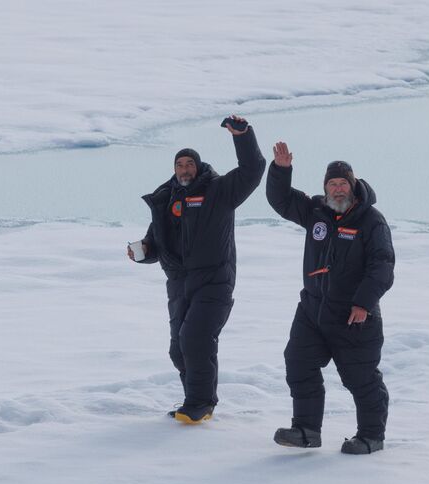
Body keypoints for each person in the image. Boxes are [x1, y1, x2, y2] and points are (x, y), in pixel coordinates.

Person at [128, 115, 266, 424]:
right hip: (179, 283)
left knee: (195, 339)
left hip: (214, 281)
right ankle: (194, 398)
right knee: (179, 348)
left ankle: (200, 403)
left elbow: (252, 171)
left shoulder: (218, 191)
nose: (185, 170)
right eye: (180, 165)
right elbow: (156, 241)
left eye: (190, 164)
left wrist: (242, 136)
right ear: (174, 170)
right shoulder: (167, 199)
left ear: (199, 166)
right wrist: (143, 251)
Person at [266, 141, 394, 454]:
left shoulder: (371, 221)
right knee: (298, 362)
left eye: (342, 184)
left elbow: (383, 265)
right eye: (332, 184)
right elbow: (281, 200)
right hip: (312, 310)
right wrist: (282, 170)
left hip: (353, 315)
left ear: (353, 186)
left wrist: (363, 303)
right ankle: (307, 430)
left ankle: (371, 436)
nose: (337, 190)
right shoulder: (316, 212)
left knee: (360, 377)